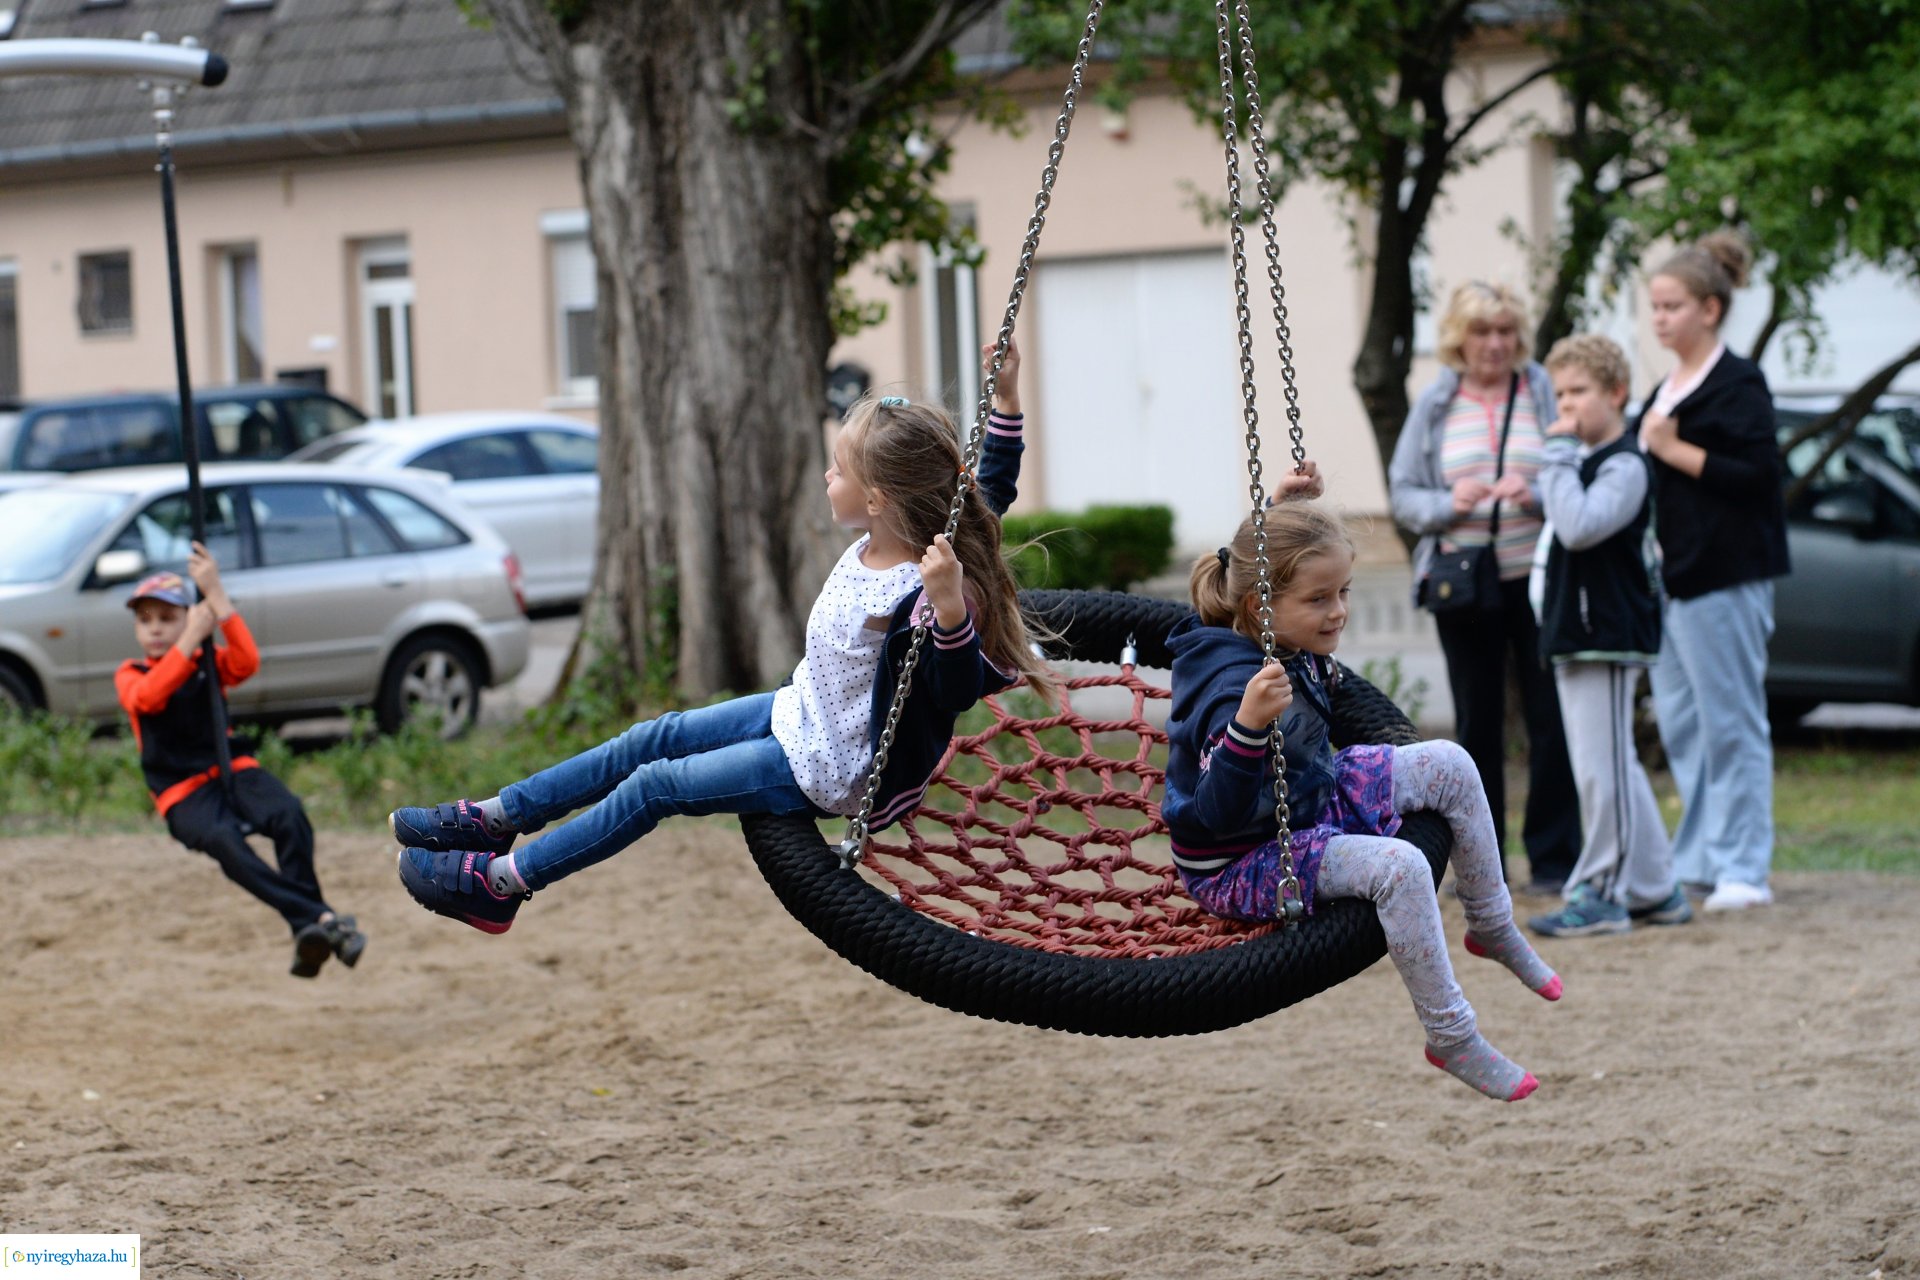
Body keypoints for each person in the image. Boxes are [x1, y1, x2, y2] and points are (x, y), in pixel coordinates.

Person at [392, 343, 1053, 934]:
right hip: (798, 710)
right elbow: (985, 490)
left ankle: (502, 884)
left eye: (837, 469)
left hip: (827, 766)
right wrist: (1005, 402)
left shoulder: (924, 587)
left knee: (654, 786)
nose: (827, 477)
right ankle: (496, 817)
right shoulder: (892, 536)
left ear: (877, 498)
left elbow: (952, 690)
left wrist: (950, 613)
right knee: (650, 737)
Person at [1163, 501, 1562, 1102]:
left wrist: (1287, 504)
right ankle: (1451, 1035)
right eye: (1319, 598)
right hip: (1243, 858)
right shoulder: (1230, 690)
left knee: (1450, 763)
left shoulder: (1278, 632)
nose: (1339, 611)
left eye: (1343, 591)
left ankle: (1491, 922)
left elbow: (1270, 563)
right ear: (1260, 608)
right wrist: (1247, 728)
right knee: (1401, 867)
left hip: (1310, 795)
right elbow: (1218, 814)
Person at [1388, 280, 1581, 894]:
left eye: (1504, 331)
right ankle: (1482, 868)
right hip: (1465, 587)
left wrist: (1537, 493)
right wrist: (1450, 503)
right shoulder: (1436, 403)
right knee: (1477, 727)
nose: (1494, 343)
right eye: (1481, 331)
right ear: (1458, 338)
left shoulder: (1542, 390)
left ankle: (1555, 861)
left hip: (1538, 581)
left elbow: (1577, 467)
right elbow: (1403, 494)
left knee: (1551, 719)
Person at [116, 544, 365, 978]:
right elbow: (150, 698)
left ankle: (307, 929)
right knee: (227, 843)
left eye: (167, 618)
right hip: (182, 793)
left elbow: (247, 661)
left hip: (231, 769)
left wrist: (217, 597)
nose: (155, 628)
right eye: (145, 619)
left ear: (190, 615)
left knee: (289, 815)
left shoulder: (207, 661)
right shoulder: (131, 674)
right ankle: (321, 918)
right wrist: (190, 637)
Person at [1636, 232, 1790, 912]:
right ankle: (1699, 859)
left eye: (1672, 306)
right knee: (1683, 723)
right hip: (1672, 582)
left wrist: (1673, 449)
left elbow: (1759, 477)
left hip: (1726, 577)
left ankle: (1744, 868)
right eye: (1655, 306)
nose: (1659, 317)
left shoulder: (1738, 383)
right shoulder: (1663, 389)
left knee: (1732, 724)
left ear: (1710, 309)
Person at [1525, 335, 1692, 937]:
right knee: (1610, 764)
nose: (1566, 406)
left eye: (1579, 392)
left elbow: (1578, 525)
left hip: (1609, 633)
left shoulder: (1624, 465)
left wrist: (1558, 458)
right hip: (1576, 632)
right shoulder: (1584, 463)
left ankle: (1600, 891)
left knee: (1603, 770)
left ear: (1617, 393)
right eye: (1560, 394)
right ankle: (1655, 887)